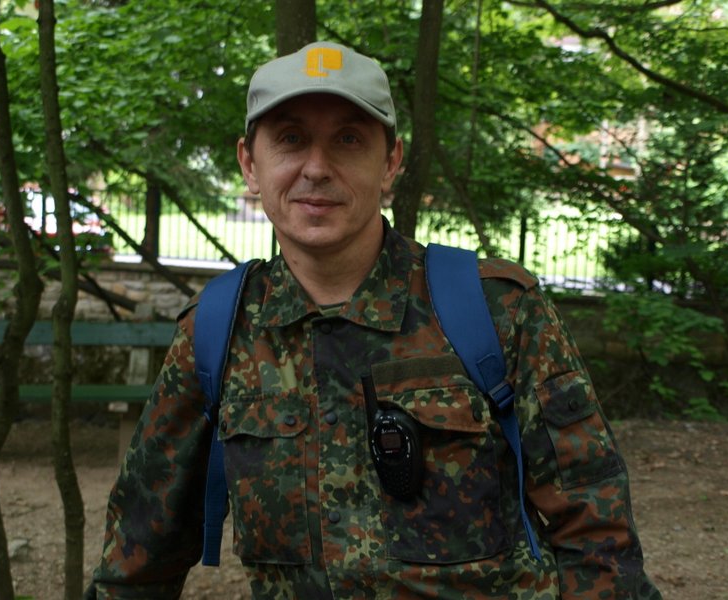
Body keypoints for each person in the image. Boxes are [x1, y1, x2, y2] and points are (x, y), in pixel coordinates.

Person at [86, 41, 661, 599]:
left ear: (390, 163)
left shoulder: (496, 311)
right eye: (291, 139)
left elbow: (597, 531)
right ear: (249, 164)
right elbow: (140, 548)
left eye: (348, 139)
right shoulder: (217, 332)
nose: (317, 168)